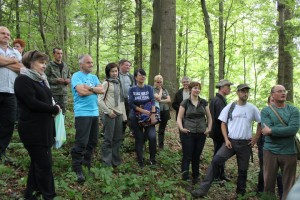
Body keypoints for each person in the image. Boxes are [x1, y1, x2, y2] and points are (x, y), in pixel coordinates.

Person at [192, 84, 261, 197]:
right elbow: (223, 123)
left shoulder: (252, 108)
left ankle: (240, 194)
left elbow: (260, 123)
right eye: (243, 91)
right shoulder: (230, 106)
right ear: (237, 93)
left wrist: (255, 139)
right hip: (230, 143)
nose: (245, 93)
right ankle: (202, 190)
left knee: (243, 171)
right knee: (215, 161)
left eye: (247, 91)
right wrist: (226, 139)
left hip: (245, 144)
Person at [14, 50, 60, 200]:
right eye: (41, 62)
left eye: (45, 63)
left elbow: (48, 100)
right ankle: (49, 196)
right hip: (33, 131)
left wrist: (55, 106)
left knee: (37, 163)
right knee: (44, 166)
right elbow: (32, 103)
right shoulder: (23, 80)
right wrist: (53, 109)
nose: (44, 66)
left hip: (44, 129)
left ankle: (30, 194)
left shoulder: (41, 80)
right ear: (30, 63)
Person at [261, 85, 299, 200]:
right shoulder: (266, 111)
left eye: (284, 91)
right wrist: (284, 130)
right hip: (270, 151)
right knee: (268, 184)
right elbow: (265, 130)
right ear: (272, 95)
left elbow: (293, 129)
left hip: (289, 151)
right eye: (279, 91)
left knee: (289, 185)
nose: (283, 93)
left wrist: (272, 130)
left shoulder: (294, 110)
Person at [70, 55, 104, 182]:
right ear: (81, 64)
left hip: (94, 113)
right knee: (81, 142)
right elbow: (81, 92)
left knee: (92, 141)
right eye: (88, 62)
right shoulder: (76, 76)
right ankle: (77, 167)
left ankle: (86, 163)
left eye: (92, 62)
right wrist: (94, 90)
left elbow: (102, 90)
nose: (91, 64)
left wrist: (89, 88)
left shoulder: (93, 77)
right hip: (82, 113)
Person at [177, 81, 212, 184]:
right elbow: (179, 118)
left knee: (197, 155)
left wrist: (209, 128)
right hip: (188, 133)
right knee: (187, 155)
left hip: (201, 133)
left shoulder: (204, 102)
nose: (197, 90)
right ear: (190, 89)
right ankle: (185, 177)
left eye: (198, 88)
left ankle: (196, 176)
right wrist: (181, 128)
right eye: (195, 88)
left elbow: (209, 117)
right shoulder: (185, 102)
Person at [0, 26, 22, 161]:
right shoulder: (15, 56)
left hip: (11, 92)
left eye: (8, 34)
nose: (6, 36)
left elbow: (21, 68)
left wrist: (4, 62)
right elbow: (16, 64)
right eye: (3, 33)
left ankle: (2, 151)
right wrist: (13, 61)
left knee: (8, 123)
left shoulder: (15, 52)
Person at [98, 63, 126, 167]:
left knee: (117, 139)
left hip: (118, 113)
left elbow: (121, 100)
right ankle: (106, 163)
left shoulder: (119, 83)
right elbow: (99, 100)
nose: (114, 73)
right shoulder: (106, 83)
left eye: (116, 71)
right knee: (108, 139)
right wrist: (109, 112)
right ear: (108, 73)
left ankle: (115, 161)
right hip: (109, 114)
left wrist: (124, 115)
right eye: (112, 71)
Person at [128, 68, 157, 168]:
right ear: (135, 77)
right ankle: (140, 161)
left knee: (152, 137)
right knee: (139, 138)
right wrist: (142, 110)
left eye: (144, 75)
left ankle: (152, 159)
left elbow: (153, 100)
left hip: (149, 115)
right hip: (135, 115)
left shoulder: (149, 88)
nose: (142, 77)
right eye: (140, 75)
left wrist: (152, 114)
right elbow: (130, 103)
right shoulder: (132, 89)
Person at [255, 95, 283, 198]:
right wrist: (255, 140)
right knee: (265, 168)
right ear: (268, 102)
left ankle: (282, 194)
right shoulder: (264, 112)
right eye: (272, 100)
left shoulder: (284, 112)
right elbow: (260, 128)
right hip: (264, 143)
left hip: (281, 144)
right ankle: (261, 191)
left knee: (280, 171)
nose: (274, 102)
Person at [209, 79, 233, 182]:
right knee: (218, 155)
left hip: (219, 132)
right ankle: (216, 176)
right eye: (228, 87)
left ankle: (221, 174)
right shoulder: (218, 101)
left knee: (221, 154)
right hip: (219, 133)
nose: (229, 89)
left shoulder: (220, 99)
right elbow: (221, 119)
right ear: (222, 88)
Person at [45, 48, 71, 115]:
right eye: (58, 53)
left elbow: (69, 76)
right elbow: (44, 78)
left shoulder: (65, 65)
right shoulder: (49, 66)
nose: (60, 55)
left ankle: (62, 125)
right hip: (54, 93)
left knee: (64, 112)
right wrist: (55, 80)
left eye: (61, 53)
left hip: (64, 93)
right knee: (54, 111)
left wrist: (69, 80)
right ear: (53, 54)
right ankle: (54, 125)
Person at [153, 75, 171, 149]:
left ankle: (161, 146)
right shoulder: (152, 89)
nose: (159, 83)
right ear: (155, 82)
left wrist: (161, 101)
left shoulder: (165, 90)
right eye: (158, 82)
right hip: (156, 111)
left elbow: (169, 100)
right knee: (151, 127)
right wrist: (160, 90)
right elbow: (158, 97)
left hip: (165, 111)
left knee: (162, 129)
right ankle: (151, 144)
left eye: (161, 82)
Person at [118, 59, 135, 135]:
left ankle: (131, 131)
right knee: (121, 117)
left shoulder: (131, 76)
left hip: (129, 100)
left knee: (130, 116)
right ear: (121, 65)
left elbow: (134, 87)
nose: (128, 67)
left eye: (129, 65)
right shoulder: (116, 75)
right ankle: (120, 134)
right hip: (119, 100)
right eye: (126, 65)